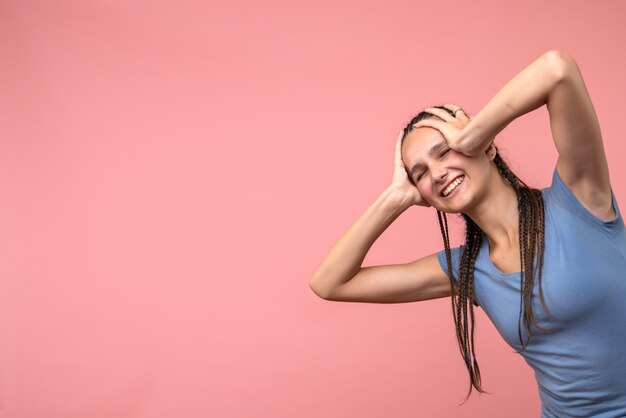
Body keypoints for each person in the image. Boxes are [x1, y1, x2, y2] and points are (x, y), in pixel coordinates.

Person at [308, 50, 626, 417]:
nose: (437, 173)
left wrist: (474, 131)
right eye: (420, 173)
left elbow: (557, 69)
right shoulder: (468, 270)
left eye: (444, 152)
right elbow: (329, 283)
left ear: (486, 146)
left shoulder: (579, 198)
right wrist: (396, 196)